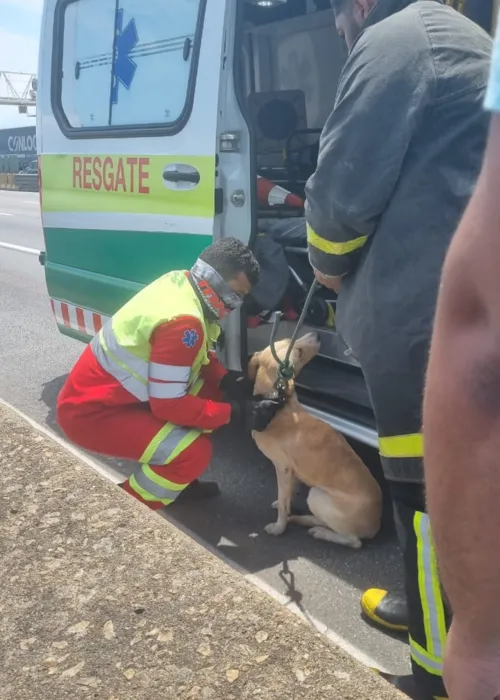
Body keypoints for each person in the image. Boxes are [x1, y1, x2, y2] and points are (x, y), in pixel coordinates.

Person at [305, 1, 492, 698]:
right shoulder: (467, 37)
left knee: (426, 509)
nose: (333, 27)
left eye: (333, 11)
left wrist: (324, 262)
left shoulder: (394, 41)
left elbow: (338, 207)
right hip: (462, 315)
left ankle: (434, 670)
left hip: (428, 333)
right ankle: (441, 619)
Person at [57, 238, 262, 510]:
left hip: (109, 400)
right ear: (215, 280)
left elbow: (196, 357)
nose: (236, 304)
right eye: (236, 294)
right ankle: (127, 511)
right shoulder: (184, 323)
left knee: (211, 391)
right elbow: (169, 405)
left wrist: (226, 379)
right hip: (91, 416)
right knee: (194, 453)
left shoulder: (180, 283)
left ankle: (178, 482)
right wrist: (236, 413)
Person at [423, 17, 500, 700]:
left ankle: (426, 641)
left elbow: (483, 337)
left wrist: (480, 646)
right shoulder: (461, 41)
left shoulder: (389, 52)